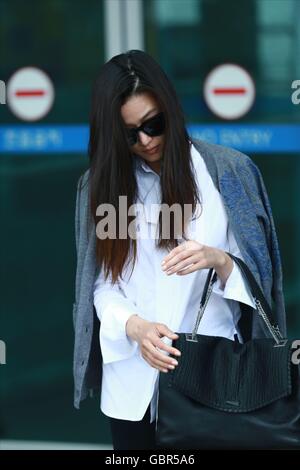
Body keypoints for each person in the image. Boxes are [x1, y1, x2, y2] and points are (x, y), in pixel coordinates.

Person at [72, 50, 286, 450]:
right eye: (130, 134)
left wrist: (218, 260)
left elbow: (261, 280)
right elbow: (102, 286)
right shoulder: (105, 186)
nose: (147, 141)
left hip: (216, 380)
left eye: (154, 124)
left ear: (171, 107)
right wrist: (134, 327)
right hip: (133, 387)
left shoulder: (226, 172)